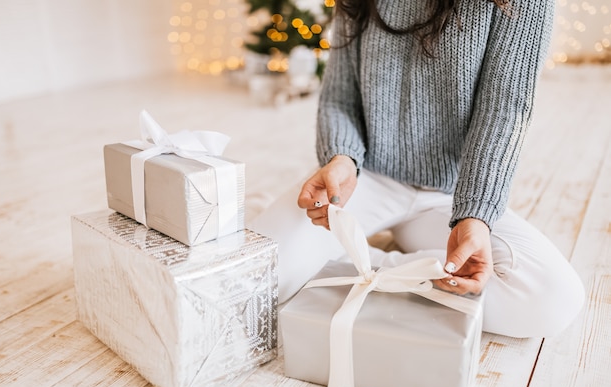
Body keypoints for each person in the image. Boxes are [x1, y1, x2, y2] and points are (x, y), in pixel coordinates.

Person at [249, 0, 585, 338]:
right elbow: (338, 97)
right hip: (364, 178)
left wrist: (475, 215)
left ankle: (368, 264)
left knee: (554, 299)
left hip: (455, 197)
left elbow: (504, 111)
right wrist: (342, 158)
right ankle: (365, 261)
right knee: (252, 283)